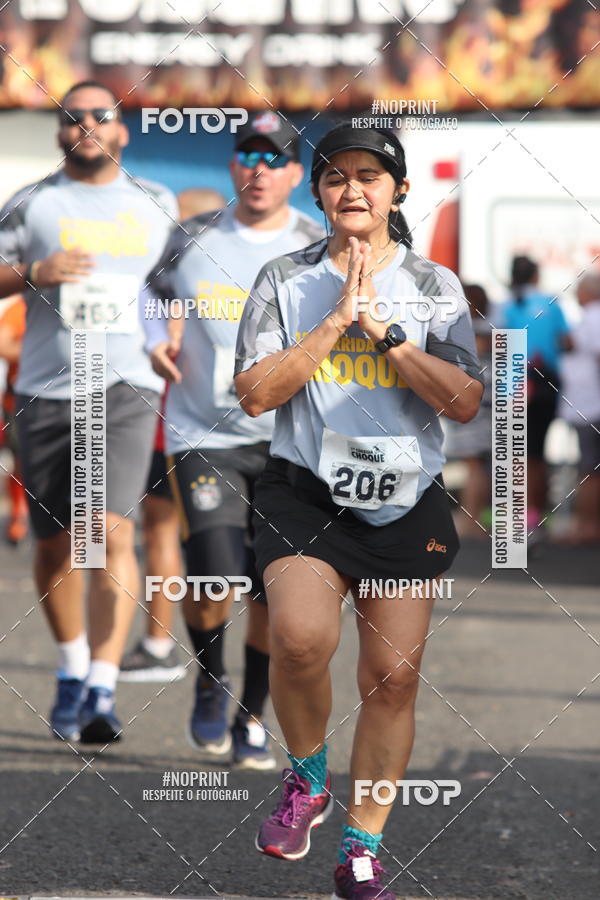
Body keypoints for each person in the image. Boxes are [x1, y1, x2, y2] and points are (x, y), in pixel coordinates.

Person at [234, 123, 483, 898]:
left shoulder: (436, 287)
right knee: (301, 642)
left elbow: (468, 401)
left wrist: (388, 334)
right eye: (337, 176)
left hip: (404, 499)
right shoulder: (284, 277)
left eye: (370, 176)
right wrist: (336, 323)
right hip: (303, 490)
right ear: (318, 192)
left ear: (397, 191)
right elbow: (254, 394)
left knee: (394, 679)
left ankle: (362, 845)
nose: (353, 189)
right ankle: (307, 777)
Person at [0, 80, 177, 743]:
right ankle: (72, 668)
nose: (88, 126)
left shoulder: (155, 204)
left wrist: (171, 335)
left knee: (110, 532)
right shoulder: (32, 203)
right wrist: (32, 274)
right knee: (54, 548)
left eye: (100, 115)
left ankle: (103, 688)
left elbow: (175, 285)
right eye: (74, 118)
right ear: (60, 132)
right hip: (46, 390)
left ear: (122, 129)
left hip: (126, 387)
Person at [146, 111, 324, 768]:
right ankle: (210, 678)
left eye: (275, 159)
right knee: (216, 571)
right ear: (232, 167)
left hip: (290, 439)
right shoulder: (190, 236)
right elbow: (150, 296)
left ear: (295, 176)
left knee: (274, 590)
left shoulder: (315, 244)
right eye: (249, 156)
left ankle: (253, 712)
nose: (260, 169)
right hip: (204, 434)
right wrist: (156, 339)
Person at [119, 189, 226, 683]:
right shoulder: (218, 273)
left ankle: (160, 644)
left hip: (172, 421)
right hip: (210, 424)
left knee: (161, 533)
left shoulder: (178, 279)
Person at [501, 255, 571, 537]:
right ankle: (534, 520)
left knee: (514, 454)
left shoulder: (504, 306)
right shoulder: (551, 303)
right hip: (545, 383)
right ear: (535, 276)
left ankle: (514, 519)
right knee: (537, 455)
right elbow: (566, 341)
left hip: (511, 384)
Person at [444, 284, 493, 538]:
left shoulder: (477, 332)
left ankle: (471, 521)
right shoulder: (489, 329)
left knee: (474, 465)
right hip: (483, 403)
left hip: (477, 404)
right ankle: (473, 519)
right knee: (476, 464)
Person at [558, 272, 600, 543]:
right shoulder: (590, 316)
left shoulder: (594, 316)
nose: (574, 295)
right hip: (589, 405)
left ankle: (587, 527)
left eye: (577, 289)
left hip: (591, 406)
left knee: (590, 470)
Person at [0, 296, 28, 544]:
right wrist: (40, 353)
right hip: (20, 401)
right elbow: (2, 344)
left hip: (78, 400)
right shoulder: (20, 308)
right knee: (21, 463)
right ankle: (18, 514)